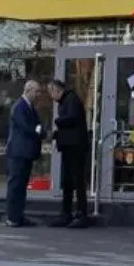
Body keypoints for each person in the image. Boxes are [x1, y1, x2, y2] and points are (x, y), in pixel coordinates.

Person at [47, 79, 89, 228]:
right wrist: (57, 135)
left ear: (57, 90)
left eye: (51, 92)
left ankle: (81, 213)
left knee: (77, 180)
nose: (51, 96)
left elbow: (73, 118)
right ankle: (66, 213)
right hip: (68, 146)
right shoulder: (65, 102)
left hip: (75, 147)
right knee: (68, 181)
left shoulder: (72, 99)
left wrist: (58, 121)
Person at [4, 80, 44, 228]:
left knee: (21, 186)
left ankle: (18, 215)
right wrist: (39, 132)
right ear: (28, 90)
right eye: (37, 91)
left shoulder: (29, 107)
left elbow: (37, 125)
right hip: (18, 152)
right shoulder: (19, 107)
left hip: (25, 152)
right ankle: (12, 217)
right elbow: (27, 127)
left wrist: (39, 130)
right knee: (15, 185)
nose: (39, 94)